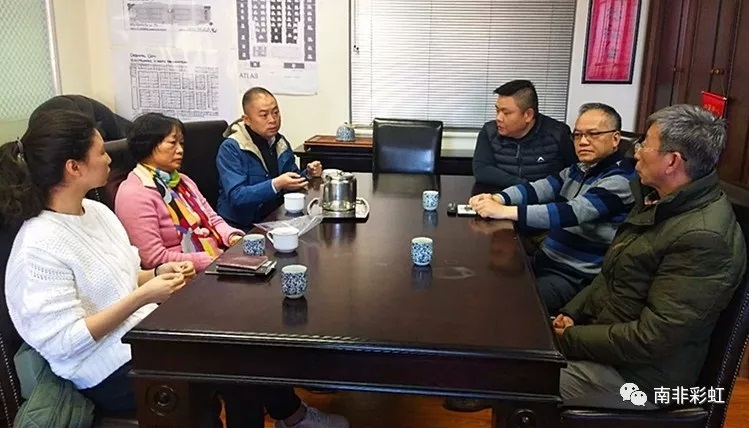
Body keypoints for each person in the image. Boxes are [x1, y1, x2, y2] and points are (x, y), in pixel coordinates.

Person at [0, 110, 348, 428]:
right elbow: (65, 342)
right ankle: (287, 415)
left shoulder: (97, 213)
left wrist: (154, 276)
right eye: (101, 152)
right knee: (229, 365)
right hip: (103, 367)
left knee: (243, 346)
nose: (109, 159)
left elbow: (127, 273)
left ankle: (290, 415)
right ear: (73, 167)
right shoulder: (39, 245)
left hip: (143, 332)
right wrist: (143, 295)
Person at [553, 104, 746, 404]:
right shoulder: (658, 200)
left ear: (672, 161)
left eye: (645, 144)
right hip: (608, 347)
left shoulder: (704, 237)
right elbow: (611, 275)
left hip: (642, 380)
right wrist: (571, 313)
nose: (636, 152)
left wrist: (570, 339)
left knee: (522, 381)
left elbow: (653, 339)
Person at [470, 103, 637, 314]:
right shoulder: (581, 168)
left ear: (615, 138)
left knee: (508, 306)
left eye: (593, 134)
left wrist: (504, 211)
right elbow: (541, 188)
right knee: (483, 278)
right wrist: (499, 197)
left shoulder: (622, 180)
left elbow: (571, 212)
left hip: (575, 276)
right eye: (578, 135)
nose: (583, 141)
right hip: (548, 260)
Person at [115, 113, 244, 272]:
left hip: (216, 259)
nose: (180, 150)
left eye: (181, 143)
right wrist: (208, 260)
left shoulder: (182, 180)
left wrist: (232, 237)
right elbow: (152, 258)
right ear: (148, 145)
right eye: (172, 143)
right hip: (184, 274)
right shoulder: (134, 193)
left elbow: (212, 219)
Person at [217, 87, 323, 230]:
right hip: (240, 228)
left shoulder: (279, 142)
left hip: (275, 219)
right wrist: (276, 184)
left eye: (275, 112)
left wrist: (308, 174)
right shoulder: (232, 148)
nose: (273, 120)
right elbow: (237, 197)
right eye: (264, 115)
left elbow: (290, 178)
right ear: (247, 120)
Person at [472, 80, 576, 190]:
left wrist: (537, 191)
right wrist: (527, 186)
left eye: (506, 113)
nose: (498, 118)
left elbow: (574, 173)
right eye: (497, 111)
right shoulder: (489, 131)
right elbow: (482, 170)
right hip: (498, 196)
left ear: (528, 115)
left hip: (545, 199)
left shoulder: (558, 134)